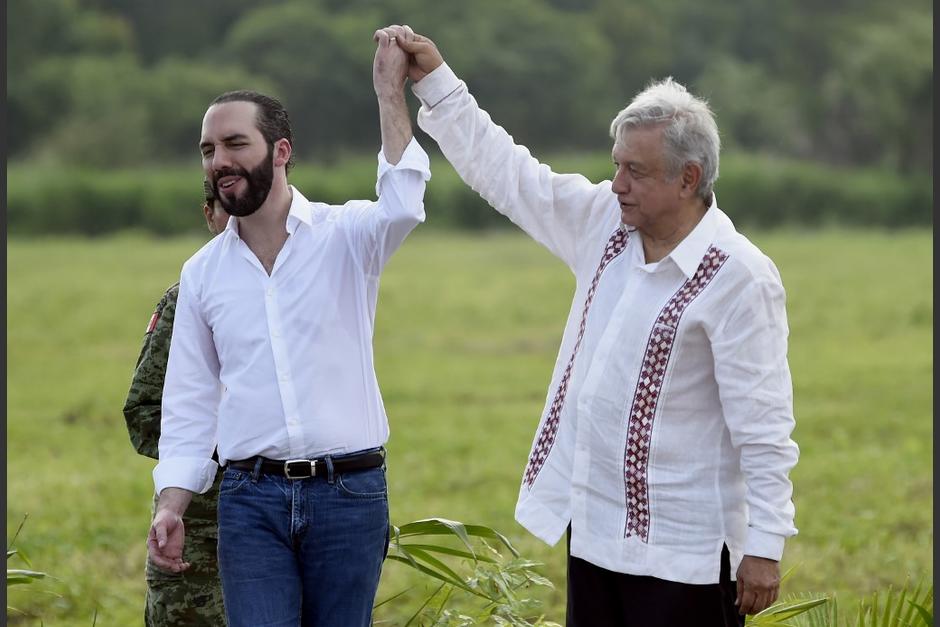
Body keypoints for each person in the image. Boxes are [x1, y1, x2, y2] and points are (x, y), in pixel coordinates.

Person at [391, 26, 799, 626]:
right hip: (595, 534)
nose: (617, 185)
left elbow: (763, 426)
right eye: (617, 166)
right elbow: (512, 176)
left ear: (688, 179)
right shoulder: (605, 223)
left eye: (635, 171)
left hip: (686, 554)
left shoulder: (741, 277)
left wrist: (764, 545)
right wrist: (435, 84)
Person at [146, 31, 430, 627]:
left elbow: (403, 204)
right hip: (250, 501)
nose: (218, 161)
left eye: (233, 143)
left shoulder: (346, 236)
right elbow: (191, 401)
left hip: (349, 494)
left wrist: (388, 92)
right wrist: (172, 501)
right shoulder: (202, 274)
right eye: (207, 149)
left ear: (279, 151)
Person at [124, 182, 231, 626]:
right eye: (229, 211)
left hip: (279, 521)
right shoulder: (185, 296)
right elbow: (145, 413)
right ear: (208, 215)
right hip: (200, 527)